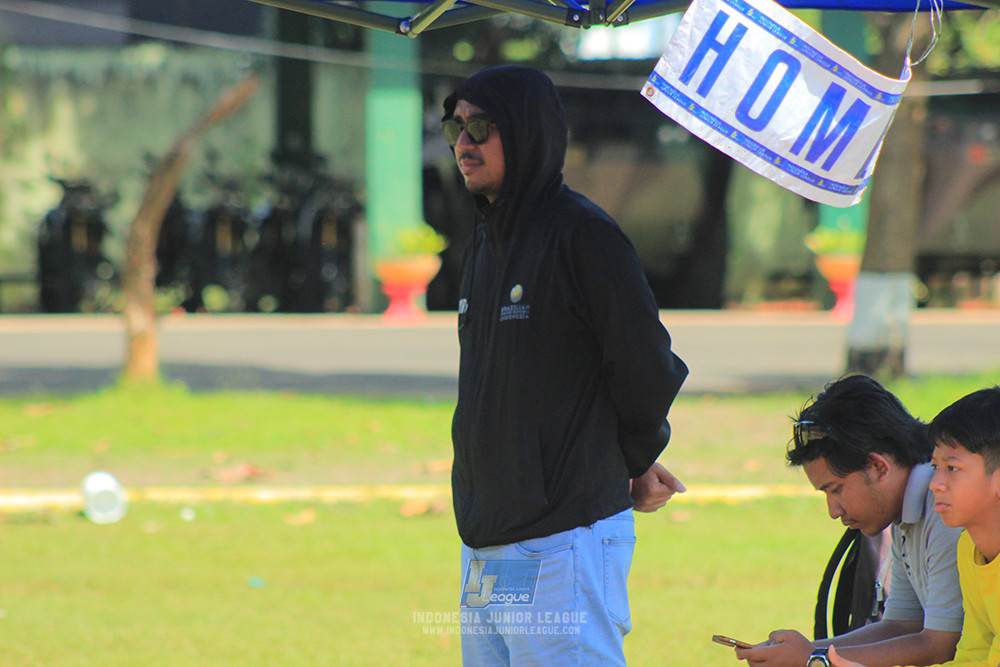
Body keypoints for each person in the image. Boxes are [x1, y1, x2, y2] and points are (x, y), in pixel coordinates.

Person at [442, 65, 689, 666]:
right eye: (456, 127)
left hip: (561, 542)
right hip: (487, 545)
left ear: (527, 132)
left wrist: (628, 460)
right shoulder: (483, 239)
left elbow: (647, 365)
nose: (463, 143)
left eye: (481, 126)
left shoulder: (583, 235)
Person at [736, 375, 963, 667]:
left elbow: (941, 646)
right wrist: (802, 652)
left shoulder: (943, 510)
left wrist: (813, 659)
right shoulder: (904, 509)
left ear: (878, 466)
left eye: (836, 489)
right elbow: (901, 625)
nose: (833, 510)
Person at [826, 386, 1000, 667]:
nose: (936, 484)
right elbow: (971, 656)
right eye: (935, 467)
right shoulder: (970, 548)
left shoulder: (957, 538)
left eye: (952, 469)